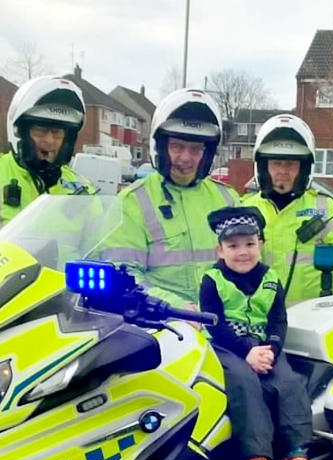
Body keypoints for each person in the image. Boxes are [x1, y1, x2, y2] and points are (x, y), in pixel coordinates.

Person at [199, 206, 317, 460]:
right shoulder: (212, 280)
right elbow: (214, 323)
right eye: (233, 245)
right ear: (220, 250)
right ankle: (255, 455)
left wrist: (272, 351)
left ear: (260, 245)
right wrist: (246, 352)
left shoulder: (271, 279)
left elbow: (278, 321)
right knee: (244, 382)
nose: (243, 252)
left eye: (250, 244)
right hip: (227, 346)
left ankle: (296, 450)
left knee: (289, 381)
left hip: (264, 345)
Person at [97, 88, 239, 306]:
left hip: (223, 326)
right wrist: (174, 306)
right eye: (177, 146)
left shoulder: (228, 199)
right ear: (161, 147)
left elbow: (246, 266)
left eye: (195, 149)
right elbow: (122, 274)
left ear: (207, 154)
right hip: (162, 327)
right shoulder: (133, 201)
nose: (185, 158)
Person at [0, 75, 94, 257]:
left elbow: (100, 249)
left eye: (58, 132)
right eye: (40, 130)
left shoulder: (82, 189)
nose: (49, 140)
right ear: (20, 131)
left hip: (64, 286)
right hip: (1, 284)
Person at [241, 114, 333, 304]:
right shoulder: (244, 210)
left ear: (304, 168)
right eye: (276, 163)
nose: (283, 171)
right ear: (262, 166)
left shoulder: (325, 208)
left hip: (313, 320)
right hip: (260, 320)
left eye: (291, 164)